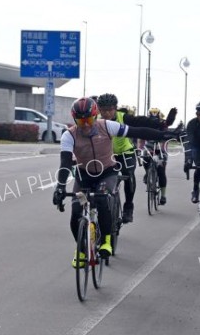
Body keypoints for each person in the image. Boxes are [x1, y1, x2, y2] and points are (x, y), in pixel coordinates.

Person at [52, 97, 179, 266]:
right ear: (75, 120)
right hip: (84, 176)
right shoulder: (69, 135)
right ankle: (81, 250)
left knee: (102, 198)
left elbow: (137, 131)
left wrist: (163, 135)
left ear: (95, 117)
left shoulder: (106, 126)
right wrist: (60, 187)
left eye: (89, 119)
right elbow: (65, 162)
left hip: (107, 172)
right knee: (76, 211)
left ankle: (106, 240)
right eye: (81, 121)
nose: (86, 125)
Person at [96, 93, 175, 223]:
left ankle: (128, 206)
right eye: (103, 110)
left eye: (109, 109)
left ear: (115, 108)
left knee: (128, 175)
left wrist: (161, 123)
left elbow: (142, 121)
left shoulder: (123, 117)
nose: (106, 113)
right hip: (106, 155)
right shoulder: (97, 120)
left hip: (125, 153)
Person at [140, 106, 180, 205]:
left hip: (161, 146)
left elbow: (165, 137)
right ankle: (147, 172)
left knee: (161, 171)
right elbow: (141, 139)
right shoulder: (146, 124)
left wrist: (161, 150)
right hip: (149, 146)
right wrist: (140, 149)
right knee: (145, 157)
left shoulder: (163, 124)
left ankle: (163, 195)